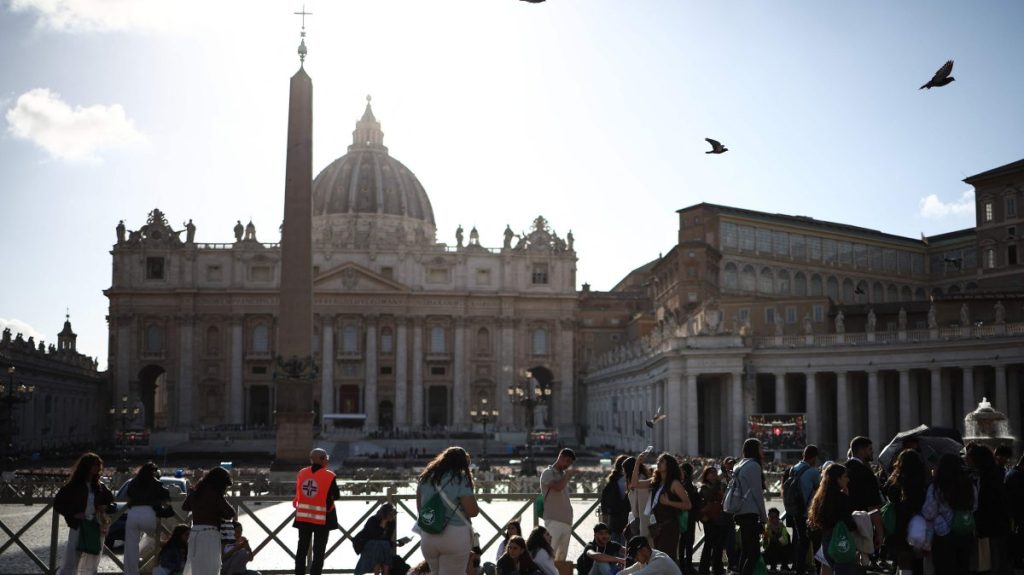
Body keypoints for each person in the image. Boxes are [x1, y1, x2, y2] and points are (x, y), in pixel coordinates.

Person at [417, 447, 480, 574]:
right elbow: (472, 511)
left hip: (429, 535)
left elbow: (420, 509)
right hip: (454, 535)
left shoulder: (425, 477)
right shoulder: (460, 479)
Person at [53, 452, 114, 575]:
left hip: (95, 525)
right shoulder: (73, 486)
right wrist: (73, 514)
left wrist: (105, 507)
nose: (97, 468)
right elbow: (58, 503)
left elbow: (111, 502)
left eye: (98, 465)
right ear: (87, 466)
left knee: (93, 559)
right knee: (72, 559)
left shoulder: (100, 486)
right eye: (94, 465)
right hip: (78, 525)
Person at [921, 453, 976, 575]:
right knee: (963, 568)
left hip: (943, 534)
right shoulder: (969, 485)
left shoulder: (936, 487)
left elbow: (929, 513)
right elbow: (974, 506)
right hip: (965, 532)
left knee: (944, 569)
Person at [631, 451, 690, 560]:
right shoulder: (656, 482)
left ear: (669, 465)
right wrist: (637, 463)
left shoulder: (675, 483)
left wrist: (669, 502)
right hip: (657, 527)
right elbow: (634, 484)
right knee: (660, 558)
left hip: (670, 526)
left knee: (667, 558)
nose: (658, 463)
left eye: (662, 461)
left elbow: (688, 505)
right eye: (658, 461)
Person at [293, 448, 340, 575]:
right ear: (321, 459)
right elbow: (336, 495)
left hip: (303, 518)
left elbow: (299, 491)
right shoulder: (329, 475)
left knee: (301, 550)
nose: (327, 460)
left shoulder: (302, 473)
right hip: (321, 519)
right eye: (326, 458)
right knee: (318, 552)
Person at [967, 443, 1012, 575]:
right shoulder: (983, 475)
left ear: (977, 459)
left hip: (993, 526)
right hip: (992, 525)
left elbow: (991, 503)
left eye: (969, 458)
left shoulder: (991, 477)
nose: (966, 460)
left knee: (994, 560)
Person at [182, 466, 235, 575]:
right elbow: (231, 513)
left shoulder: (197, 491)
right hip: (209, 535)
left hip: (194, 534)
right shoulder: (215, 494)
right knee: (210, 569)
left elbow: (185, 507)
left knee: (195, 568)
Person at [882, 449, 927, 575]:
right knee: (919, 560)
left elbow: (887, 493)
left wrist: (893, 476)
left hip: (900, 524)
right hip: (918, 523)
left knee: (904, 560)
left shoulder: (897, 482)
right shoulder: (923, 480)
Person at [807, 463, 856, 575]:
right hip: (840, 541)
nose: (848, 479)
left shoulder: (820, 498)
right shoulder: (841, 498)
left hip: (826, 542)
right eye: (845, 476)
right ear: (838, 479)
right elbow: (849, 523)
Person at [125, 461, 172, 575]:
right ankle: (155, 566)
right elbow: (165, 495)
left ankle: (131, 572)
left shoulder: (133, 482)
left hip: (133, 514)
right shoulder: (156, 482)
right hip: (149, 513)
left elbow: (128, 495)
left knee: (131, 547)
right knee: (154, 538)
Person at [731, 439, 768, 575]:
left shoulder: (740, 465)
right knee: (754, 553)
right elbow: (757, 494)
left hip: (740, 511)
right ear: (755, 450)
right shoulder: (754, 466)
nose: (763, 451)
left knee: (746, 551)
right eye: (761, 448)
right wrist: (764, 517)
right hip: (749, 512)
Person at [844, 437, 884, 554]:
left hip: (843, 524)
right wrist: (880, 532)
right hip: (861, 526)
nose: (873, 452)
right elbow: (873, 506)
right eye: (870, 449)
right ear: (861, 450)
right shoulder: (866, 473)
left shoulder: (841, 470)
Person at [540, 448, 577, 561]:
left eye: (570, 463)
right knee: (549, 555)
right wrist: (567, 476)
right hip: (553, 520)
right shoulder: (548, 473)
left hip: (566, 521)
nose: (568, 465)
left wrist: (566, 475)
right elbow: (558, 487)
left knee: (561, 558)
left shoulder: (562, 475)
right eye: (567, 461)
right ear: (560, 457)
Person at [789, 445, 821, 575]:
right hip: (809, 512)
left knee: (802, 542)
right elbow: (820, 491)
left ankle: (799, 569)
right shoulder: (813, 471)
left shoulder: (794, 469)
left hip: (796, 509)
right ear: (814, 458)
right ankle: (819, 569)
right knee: (817, 542)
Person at [354, 503, 401, 575]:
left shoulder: (391, 523)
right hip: (367, 544)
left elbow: (387, 539)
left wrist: (396, 543)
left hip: (381, 547)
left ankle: (382, 573)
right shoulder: (373, 520)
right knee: (379, 545)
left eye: (394, 514)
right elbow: (375, 536)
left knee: (384, 545)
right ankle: (382, 573)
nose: (393, 516)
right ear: (385, 515)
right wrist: (383, 522)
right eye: (391, 515)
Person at [697, 465, 726, 575]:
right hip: (709, 519)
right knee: (708, 545)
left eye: (715, 473)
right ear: (706, 475)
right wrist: (718, 482)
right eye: (711, 473)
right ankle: (703, 569)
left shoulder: (719, 486)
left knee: (719, 546)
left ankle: (717, 568)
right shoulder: (704, 487)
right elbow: (708, 496)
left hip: (719, 518)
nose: (714, 475)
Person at [677, 461, 701, 574]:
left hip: (685, 517)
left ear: (685, 472)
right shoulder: (690, 486)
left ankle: (684, 566)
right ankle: (687, 566)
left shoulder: (683, 485)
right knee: (687, 542)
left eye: (681, 470)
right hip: (689, 517)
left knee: (684, 542)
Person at [601, 456, 631, 543]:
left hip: (613, 518)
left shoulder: (612, 481)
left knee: (614, 544)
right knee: (626, 544)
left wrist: (604, 516)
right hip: (627, 518)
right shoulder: (628, 481)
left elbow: (604, 500)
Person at [1005, 454, 1024, 573]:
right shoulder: (1019, 476)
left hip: (1012, 514)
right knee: (1018, 539)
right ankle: (1017, 561)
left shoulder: (1011, 473)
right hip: (1018, 514)